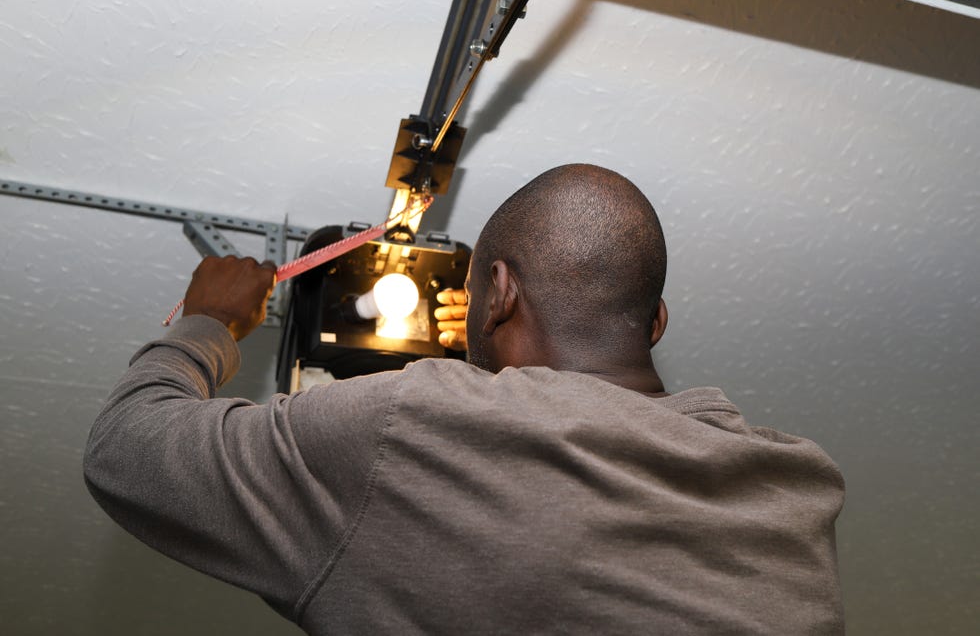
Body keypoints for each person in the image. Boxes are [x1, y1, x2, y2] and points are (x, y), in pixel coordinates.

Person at [84, 164, 845, 634]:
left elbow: (127, 443)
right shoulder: (790, 489)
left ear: (500, 294)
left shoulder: (414, 425)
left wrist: (210, 322)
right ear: (656, 321)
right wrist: (495, 369)